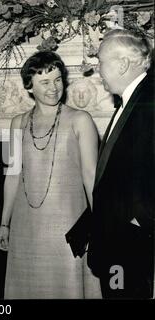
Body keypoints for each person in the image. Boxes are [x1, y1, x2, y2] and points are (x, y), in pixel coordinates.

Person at [0, 51, 100, 298]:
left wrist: (100, 224)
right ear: (29, 87)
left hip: (68, 225)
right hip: (26, 226)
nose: (53, 88)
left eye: (57, 80)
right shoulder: (18, 123)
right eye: (45, 82)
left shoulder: (80, 120)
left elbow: (91, 174)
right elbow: (12, 175)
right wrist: (4, 223)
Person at [87, 29, 154, 299]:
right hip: (118, 240)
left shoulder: (149, 100)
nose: (97, 69)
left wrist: (142, 219)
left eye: (101, 61)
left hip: (132, 241)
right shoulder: (130, 101)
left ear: (123, 64)